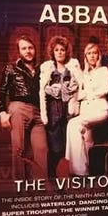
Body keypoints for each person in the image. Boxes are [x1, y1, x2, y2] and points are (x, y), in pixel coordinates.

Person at [0, 34, 48, 180]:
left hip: (38, 111)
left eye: (30, 48)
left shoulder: (42, 69)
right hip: (18, 108)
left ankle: (40, 186)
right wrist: (2, 112)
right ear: (18, 51)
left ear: (35, 49)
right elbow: (1, 91)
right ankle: (19, 185)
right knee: (19, 149)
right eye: (24, 48)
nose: (28, 51)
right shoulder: (11, 68)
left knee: (41, 150)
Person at [39, 35, 82, 178]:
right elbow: (42, 90)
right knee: (55, 148)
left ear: (66, 51)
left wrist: (66, 89)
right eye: (56, 50)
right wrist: (53, 90)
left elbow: (79, 86)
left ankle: (68, 179)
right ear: (52, 52)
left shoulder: (73, 68)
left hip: (69, 110)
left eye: (62, 50)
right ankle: (54, 180)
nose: (59, 52)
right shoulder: (48, 69)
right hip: (53, 112)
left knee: (68, 148)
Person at [65, 41, 108, 175]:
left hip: (100, 110)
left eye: (94, 53)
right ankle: (85, 172)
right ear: (85, 56)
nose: (92, 56)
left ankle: (79, 169)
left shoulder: (103, 70)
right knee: (86, 140)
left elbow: (104, 89)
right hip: (86, 111)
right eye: (89, 53)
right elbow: (78, 94)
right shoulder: (83, 74)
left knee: (72, 124)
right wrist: (85, 94)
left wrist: (86, 94)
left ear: (98, 55)